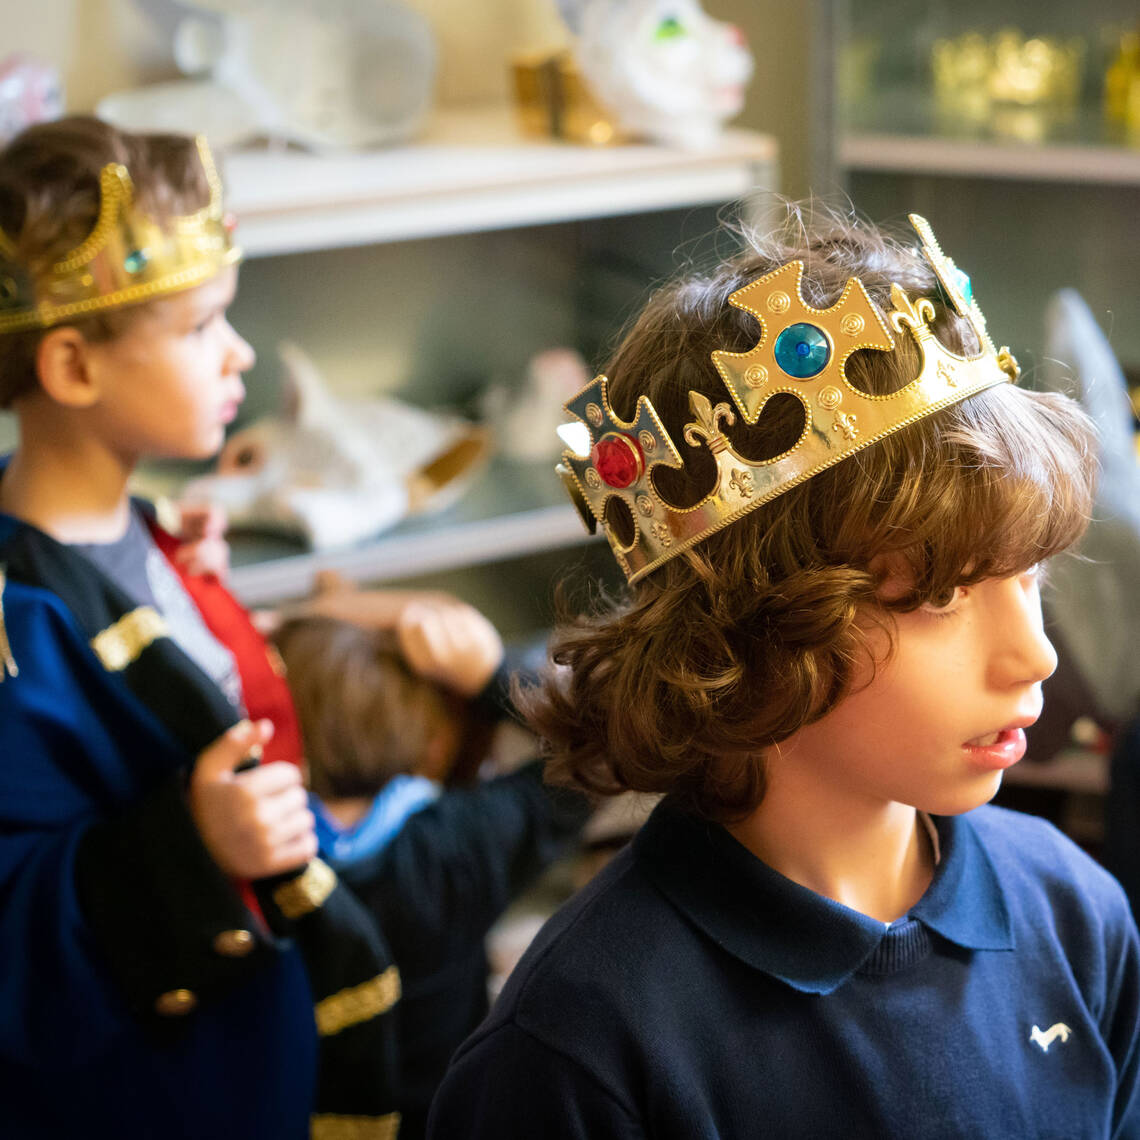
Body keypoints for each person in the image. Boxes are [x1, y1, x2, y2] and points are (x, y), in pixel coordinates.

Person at [427, 206, 1140, 1138]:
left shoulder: (1073, 916)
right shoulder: (583, 1049)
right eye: (939, 599)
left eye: (1031, 577)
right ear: (748, 627)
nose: (1035, 655)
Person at [0, 116, 400, 1139]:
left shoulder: (138, 530)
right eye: (197, 327)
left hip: (251, 1038)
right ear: (74, 370)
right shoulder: (16, 627)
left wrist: (182, 582)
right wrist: (191, 845)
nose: (241, 353)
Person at [272, 588, 591, 1140]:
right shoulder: (457, 845)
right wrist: (494, 674)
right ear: (433, 740)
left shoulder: (258, 849)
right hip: (442, 1118)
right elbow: (598, 754)